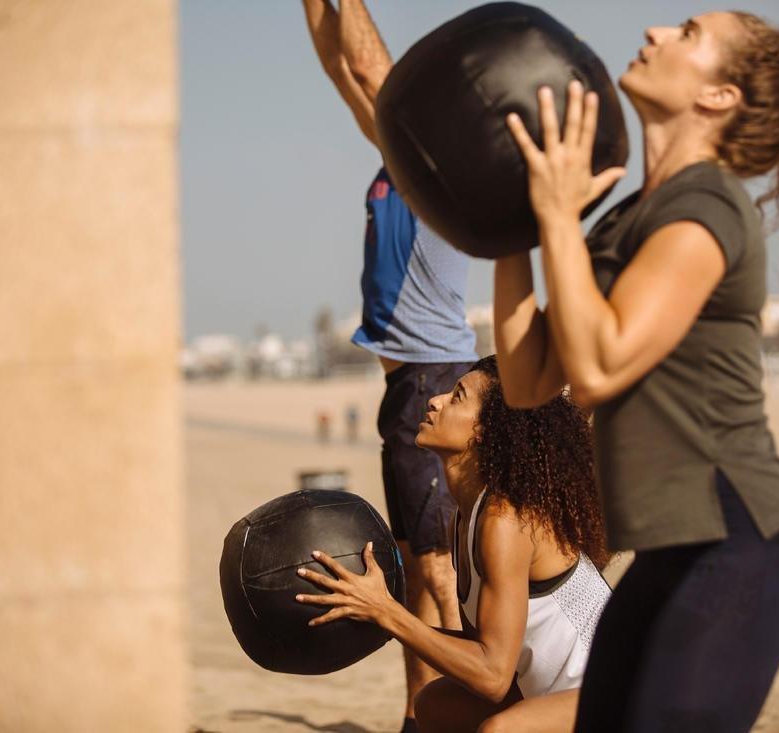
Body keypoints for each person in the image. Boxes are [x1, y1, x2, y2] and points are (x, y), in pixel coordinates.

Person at [497, 11, 779, 731]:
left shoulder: (708, 204)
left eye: (689, 33)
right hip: (671, 547)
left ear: (719, 96)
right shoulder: (624, 218)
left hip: (742, 539)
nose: (658, 30)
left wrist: (556, 220)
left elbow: (600, 365)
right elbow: (530, 381)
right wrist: (513, 229)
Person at [300, 2, 480, 730]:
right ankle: (419, 715)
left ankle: (449, 713)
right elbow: (345, 73)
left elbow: (372, 68)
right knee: (412, 567)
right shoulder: (397, 161)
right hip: (408, 386)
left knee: (437, 572)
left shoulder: (438, 165)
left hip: (436, 383)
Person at [295, 356, 612, 733]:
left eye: (457, 397)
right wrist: (376, 616)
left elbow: (492, 676)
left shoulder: (504, 521)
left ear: (486, 430)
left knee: (503, 730)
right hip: (557, 693)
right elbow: (481, 649)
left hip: (624, 690)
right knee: (436, 704)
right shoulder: (464, 518)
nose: (435, 400)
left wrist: (389, 613)